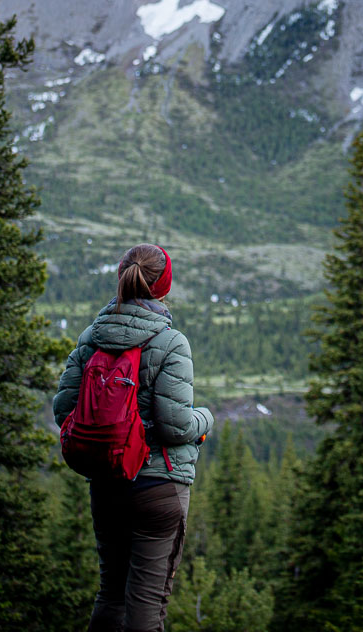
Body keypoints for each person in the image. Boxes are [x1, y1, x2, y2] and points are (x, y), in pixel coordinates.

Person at [53, 242, 214, 632]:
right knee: (146, 603)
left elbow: (64, 411)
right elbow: (176, 425)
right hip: (159, 486)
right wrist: (205, 419)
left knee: (111, 595)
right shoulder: (171, 343)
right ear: (163, 287)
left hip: (106, 481)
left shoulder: (91, 338)